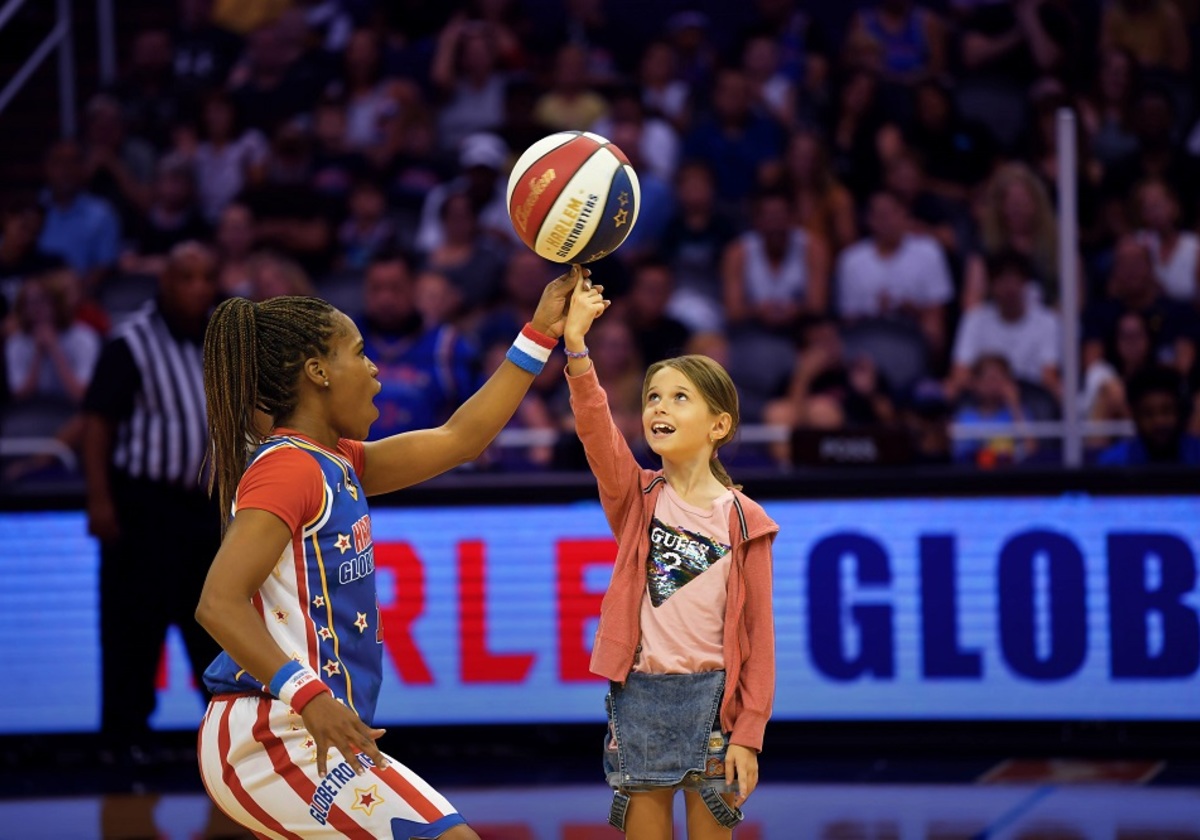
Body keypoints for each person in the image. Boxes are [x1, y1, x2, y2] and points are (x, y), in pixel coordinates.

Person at [194, 266, 584, 837]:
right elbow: (218, 602)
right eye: (359, 353)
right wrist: (312, 699)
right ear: (317, 372)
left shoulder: (337, 461)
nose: (375, 368)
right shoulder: (287, 467)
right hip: (272, 736)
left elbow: (460, 439)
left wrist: (540, 333)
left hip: (310, 728)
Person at [560, 276, 778, 838]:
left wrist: (749, 735)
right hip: (640, 700)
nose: (660, 406)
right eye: (653, 396)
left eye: (680, 397)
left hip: (715, 710)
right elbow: (596, 431)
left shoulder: (745, 520)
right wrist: (578, 348)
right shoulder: (637, 499)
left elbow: (760, 638)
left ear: (719, 425)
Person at [81, 241, 223, 757]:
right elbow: (98, 424)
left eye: (207, 277)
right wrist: (99, 501)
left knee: (215, 639)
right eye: (187, 277)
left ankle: (230, 757)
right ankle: (123, 752)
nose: (199, 288)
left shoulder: (221, 341)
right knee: (131, 641)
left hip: (203, 514)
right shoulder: (130, 344)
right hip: (143, 510)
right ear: (165, 282)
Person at [1096, 365, 1200, 465]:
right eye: (1148, 414)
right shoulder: (1113, 463)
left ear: (1180, 411)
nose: (1159, 421)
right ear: (1135, 416)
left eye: (1167, 411)